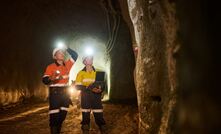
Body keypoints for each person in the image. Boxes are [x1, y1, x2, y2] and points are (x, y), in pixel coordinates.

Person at [42, 46, 78, 134]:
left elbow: (75, 55)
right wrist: (51, 78)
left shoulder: (67, 64)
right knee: (54, 116)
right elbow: (45, 80)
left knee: (62, 115)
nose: (62, 54)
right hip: (55, 93)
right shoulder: (50, 67)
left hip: (65, 94)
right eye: (59, 53)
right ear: (55, 57)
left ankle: (57, 130)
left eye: (62, 53)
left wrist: (67, 48)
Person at [74, 56, 106, 134]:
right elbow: (77, 86)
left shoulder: (98, 72)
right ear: (84, 62)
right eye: (87, 59)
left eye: (91, 58)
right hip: (86, 96)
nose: (90, 60)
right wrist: (89, 87)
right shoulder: (81, 73)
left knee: (99, 115)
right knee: (85, 116)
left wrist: (100, 89)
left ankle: (103, 130)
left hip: (96, 97)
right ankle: (85, 130)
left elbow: (102, 85)